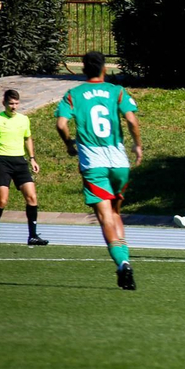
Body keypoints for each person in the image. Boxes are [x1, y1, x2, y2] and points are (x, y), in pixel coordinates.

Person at [54, 51, 142, 290]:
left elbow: (61, 123)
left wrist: (68, 142)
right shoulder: (117, 91)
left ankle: (122, 262)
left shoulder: (73, 95)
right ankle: (125, 258)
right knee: (115, 212)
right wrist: (137, 145)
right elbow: (132, 121)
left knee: (104, 217)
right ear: (105, 69)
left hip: (94, 164)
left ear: (83, 70)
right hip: (119, 162)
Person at [0, 87, 48, 246]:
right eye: (11, 103)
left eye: (16, 103)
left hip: (20, 162)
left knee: (32, 197)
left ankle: (32, 236)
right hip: (2, 162)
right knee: (2, 201)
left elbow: (28, 138)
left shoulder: (24, 119)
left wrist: (32, 159)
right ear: (4, 103)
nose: (14, 106)